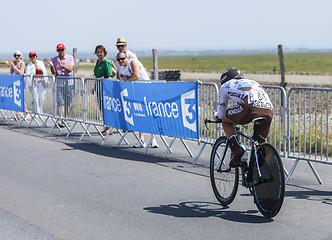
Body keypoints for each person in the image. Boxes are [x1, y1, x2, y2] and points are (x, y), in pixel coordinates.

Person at [213, 67, 274, 168]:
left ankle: (237, 149)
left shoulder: (224, 86)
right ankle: (257, 172)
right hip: (269, 109)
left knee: (225, 119)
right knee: (259, 143)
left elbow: (222, 111)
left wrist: (216, 116)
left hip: (250, 108)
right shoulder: (253, 82)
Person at [116, 52, 159, 148]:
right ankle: (141, 140)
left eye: (122, 58)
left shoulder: (133, 62)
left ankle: (153, 139)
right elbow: (120, 78)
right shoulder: (122, 68)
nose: (121, 61)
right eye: (118, 60)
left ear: (126, 57)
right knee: (140, 116)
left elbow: (136, 76)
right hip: (137, 92)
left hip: (146, 90)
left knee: (149, 115)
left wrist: (127, 79)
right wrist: (125, 78)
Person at [47, 43, 74, 127]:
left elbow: (70, 69)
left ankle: (65, 118)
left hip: (68, 82)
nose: (61, 52)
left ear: (65, 50)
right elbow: (54, 72)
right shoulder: (55, 59)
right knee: (60, 101)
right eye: (59, 50)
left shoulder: (70, 58)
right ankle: (60, 118)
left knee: (67, 101)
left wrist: (61, 65)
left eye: (62, 50)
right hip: (59, 83)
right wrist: (52, 65)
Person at [94, 45, 115, 136]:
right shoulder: (98, 62)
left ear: (104, 53)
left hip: (105, 88)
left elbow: (109, 75)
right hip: (98, 87)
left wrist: (107, 87)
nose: (99, 54)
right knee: (102, 108)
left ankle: (108, 128)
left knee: (106, 108)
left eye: (100, 52)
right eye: (97, 52)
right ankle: (106, 126)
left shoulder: (106, 62)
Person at [8, 50, 26, 120]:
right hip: (15, 82)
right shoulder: (14, 63)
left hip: (21, 81)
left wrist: (14, 67)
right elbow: (11, 72)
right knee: (15, 98)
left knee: (21, 98)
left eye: (18, 56)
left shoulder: (22, 63)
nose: (16, 57)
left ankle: (26, 113)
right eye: (15, 55)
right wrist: (11, 66)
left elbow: (21, 72)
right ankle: (16, 115)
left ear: (20, 56)